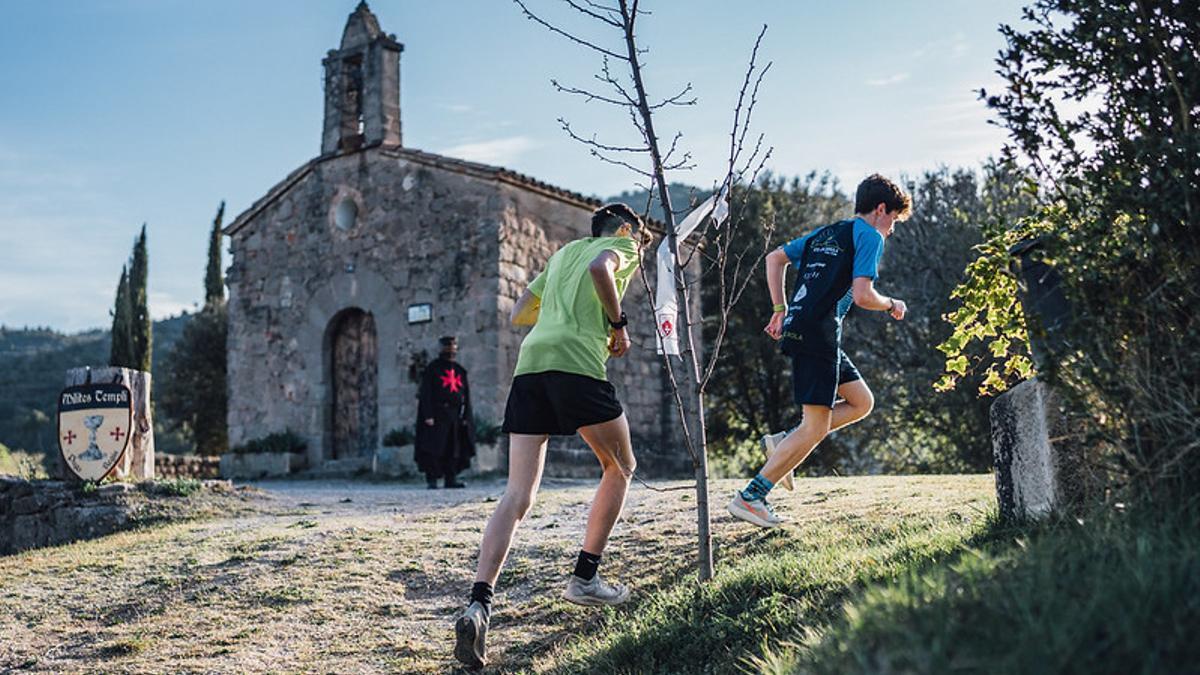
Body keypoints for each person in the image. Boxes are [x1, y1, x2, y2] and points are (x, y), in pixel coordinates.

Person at [454, 203, 646, 669]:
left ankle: (478, 603)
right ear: (624, 229)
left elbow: (521, 312)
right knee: (621, 466)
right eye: (637, 237)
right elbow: (604, 269)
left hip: (531, 364)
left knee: (517, 494)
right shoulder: (618, 246)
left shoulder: (563, 255)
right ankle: (585, 578)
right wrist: (616, 326)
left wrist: (558, 314)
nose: (637, 247)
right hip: (576, 364)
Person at [727, 174, 912, 528]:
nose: (891, 229)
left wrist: (780, 310)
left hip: (806, 327)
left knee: (861, 402)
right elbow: (862, 296)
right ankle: (751, 497)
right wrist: (892, 304)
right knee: (814, 428)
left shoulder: (827, 232)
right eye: (893, 220)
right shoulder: (870, 235)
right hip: (819, 333)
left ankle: (783, 441)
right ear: (880, 209)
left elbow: (774, 258)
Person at [415, 336, 475, 489]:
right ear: (441, 349)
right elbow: (426, 394)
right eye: (447, 347)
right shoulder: (432, 369)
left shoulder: (460, 371)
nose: (450, 350)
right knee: (434, 448)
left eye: (453, 347)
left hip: (455, 415)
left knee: (453, 448)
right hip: (437, 414)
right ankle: (432, 480)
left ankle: (451, 478)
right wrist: (428, 415)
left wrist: (466, 415)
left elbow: (466, 395)